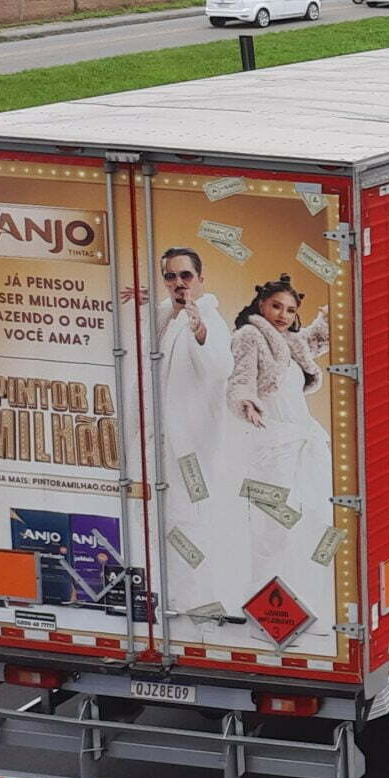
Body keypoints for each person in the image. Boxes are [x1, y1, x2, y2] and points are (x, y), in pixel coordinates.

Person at [229, 276, 333, 610]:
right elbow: (240, 378)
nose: (283, 315)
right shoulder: (249, 336)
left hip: (303, 440)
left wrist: (332, 316)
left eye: (290, 310)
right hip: (271, 443)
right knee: (273, 527)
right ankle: (264, 603)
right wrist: (245, 401)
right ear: (261, 304)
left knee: (314, 518)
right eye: (276, 306)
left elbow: (316, 340)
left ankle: (304, 598)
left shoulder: (291, 342)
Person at [153, 247, 238, 612]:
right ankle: (172, 597)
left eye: (185, 276)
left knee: (192, 522)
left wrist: (200, 330)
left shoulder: (210, 320)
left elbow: (221, 366)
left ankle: (197, 602)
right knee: (166, 521)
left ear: (200, 280)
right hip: (161, 444)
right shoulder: (164, 317)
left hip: (195, 447)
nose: (178, 283)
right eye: (170, 276)